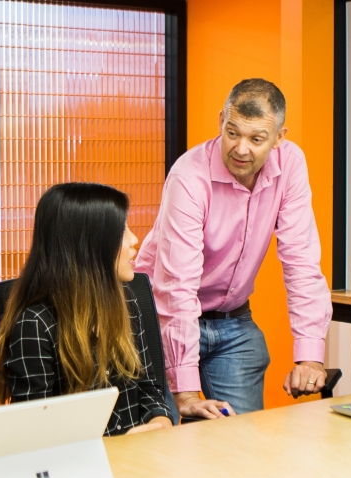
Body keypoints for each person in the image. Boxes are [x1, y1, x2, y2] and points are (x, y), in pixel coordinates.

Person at [135, 78, 331, 421]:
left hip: (232, 321)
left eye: (257, 139)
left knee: (243, 442)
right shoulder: (188, 177)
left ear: (279, 138)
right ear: (221, 121)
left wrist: (310, 355)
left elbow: (301, 260)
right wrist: (186, 393)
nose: (241, 149)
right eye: (232, 132)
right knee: (167, 444)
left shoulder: (291, 164)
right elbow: (176, 288)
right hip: (162, 317)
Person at [0, 182, 173, 435]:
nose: (134, 240)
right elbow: (33, 434)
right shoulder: (35, 324)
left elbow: (149, 389)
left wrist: (159, 423)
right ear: (89, 246)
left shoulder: (126, 301)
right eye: (122, 230)